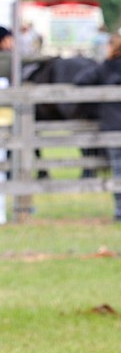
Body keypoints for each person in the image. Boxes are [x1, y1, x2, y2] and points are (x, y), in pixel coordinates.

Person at [74, 34, 121, 220]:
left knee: (118, 168)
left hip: (112, 126)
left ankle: (119, 209)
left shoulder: (104, 68)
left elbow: (80, 80)